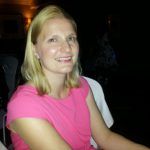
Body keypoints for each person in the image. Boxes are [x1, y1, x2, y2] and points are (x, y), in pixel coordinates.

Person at [6, 5, 150, 150]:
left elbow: (105, 138)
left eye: (71, 38)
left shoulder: (81, 85)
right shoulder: (23, 105)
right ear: (34, 50)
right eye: (53, 40)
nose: (67, 47)